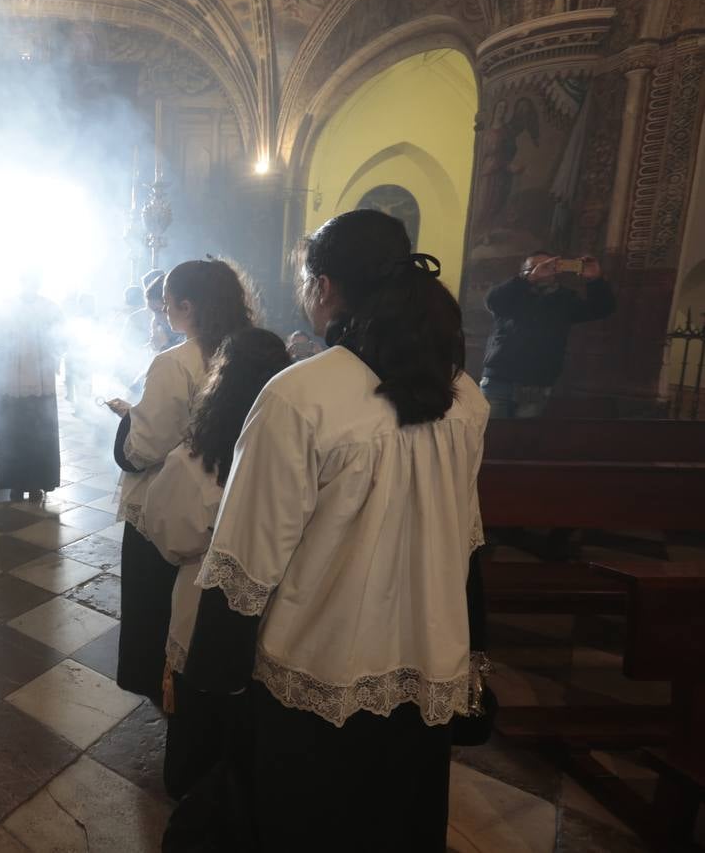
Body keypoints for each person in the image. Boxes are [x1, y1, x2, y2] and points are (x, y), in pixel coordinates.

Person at [186, 210, 488, 851]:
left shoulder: (300, 396)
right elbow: (466, 542)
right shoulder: (465, 396)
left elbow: (245, 560)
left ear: (323, 288)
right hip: (426, 664)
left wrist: (214, 688)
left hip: (316, 675)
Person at [142, 327, 290, 818]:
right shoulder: (298, 455)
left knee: (203, 716)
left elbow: (169, 537)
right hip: (282, 609)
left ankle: (199, 799)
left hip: (204, 606)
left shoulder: (195, 459)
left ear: (219, 383)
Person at [106, 259, 256, 702]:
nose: (163, 314)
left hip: (168, 504)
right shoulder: (248, 349)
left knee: (154, 601)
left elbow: (145, 448)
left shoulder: (176, 362)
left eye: (167, 305)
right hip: (225, 499)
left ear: (186, 306)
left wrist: (128, 421)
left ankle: (161, 683)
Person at [482, 251, 616, 417]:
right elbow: (492, 301)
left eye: (549, 266)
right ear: (523, 272)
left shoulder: (564, 298)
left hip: (538, 381)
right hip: (500, 379)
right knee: (488, 435)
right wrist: (530, 279)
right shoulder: (512, 293)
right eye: (537, 267)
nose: (544, 271)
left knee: (522, 438)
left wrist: (595, 279)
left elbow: (601, 309)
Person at [0, 272, 64, 500]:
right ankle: (16, 481)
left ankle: (37, 482)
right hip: (14, 380)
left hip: (40, 381)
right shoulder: (8, 307)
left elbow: (61, 338)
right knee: (15, 432)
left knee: (39, 433)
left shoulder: (50, 308)